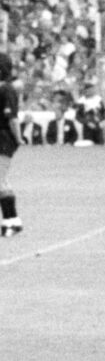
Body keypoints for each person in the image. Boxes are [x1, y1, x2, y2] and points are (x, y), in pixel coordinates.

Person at [0, 52, 23, 236]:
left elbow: (12, 119)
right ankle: (12, 221)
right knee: (2, 180)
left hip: (3, 137)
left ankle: (11, 222)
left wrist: (19, 137)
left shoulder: (7, 89)